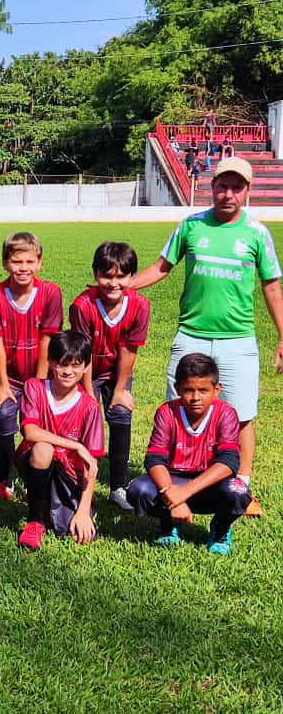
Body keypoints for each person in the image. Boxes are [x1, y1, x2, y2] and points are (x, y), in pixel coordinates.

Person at [132, 157, 283, 518]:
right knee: (179, 411)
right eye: (222, 186)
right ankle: (176, 484)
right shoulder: (191, 226)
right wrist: (125, 285)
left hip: (238, 340)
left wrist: (282, 335)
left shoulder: (257, 233)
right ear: (210, 187)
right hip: (191, 335)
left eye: (236, 188)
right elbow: (161, 268)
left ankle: (240, 487)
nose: (227, 194)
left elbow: (272, 286)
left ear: (247, 192)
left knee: (242, 415)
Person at [127, 353, 251, 555]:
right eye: (188, 390)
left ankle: (220, 529)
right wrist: (171, 492)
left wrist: (184, 494)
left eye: (203, 390)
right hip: (173, 481)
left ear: (216, 390)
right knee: (138, 489)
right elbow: (154, 459)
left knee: (238, 492)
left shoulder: (226, 413)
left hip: (209, 485)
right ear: (177, 389)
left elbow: (228, 462)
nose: (195, 397)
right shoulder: (166, 412)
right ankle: (169, 525)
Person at [0, 231, 64, 504]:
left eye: (29, 262)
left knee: (38, 426)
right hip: (11, 379)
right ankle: (3, 481)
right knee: (3, 419)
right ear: (6, 263)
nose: (23, 268)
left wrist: (38, 386)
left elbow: (46, 340)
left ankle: (34, 481)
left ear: (40, 262)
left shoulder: (51, 293)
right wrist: (2, 384)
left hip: (42, 377)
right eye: (17, 262)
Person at [68, 242, 150, 510]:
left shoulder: (140, 306)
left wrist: (120, 390)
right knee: (84, 422)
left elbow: (129, 349)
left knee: (120, 416)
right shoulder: (82, 306)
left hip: (118, 373)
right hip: (87, 371)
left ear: (131, 277)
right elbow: (83, 352)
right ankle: (76, 481)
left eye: (121, 276)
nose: (113, 283)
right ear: (95, 275)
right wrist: (89, 394)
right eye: (107, 275)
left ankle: (118, 486)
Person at [15, 331, 104, 550]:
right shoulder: (34, 387)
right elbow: (30, 432)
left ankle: (50, 500)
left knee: (68, 530)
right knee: (43, 448)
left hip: (69, 473)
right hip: (34, 460)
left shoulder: (90, 406)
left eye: (75, 365)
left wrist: (83, 511)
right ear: (51, 362)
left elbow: (91, 465)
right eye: (62, 364)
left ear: (85, 367)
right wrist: (76, 445)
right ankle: (35, 520)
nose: (68, 371)